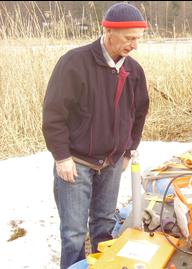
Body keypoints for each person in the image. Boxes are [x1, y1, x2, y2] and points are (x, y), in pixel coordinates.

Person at [42, 3, 149, 268]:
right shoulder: (75, 62)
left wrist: (127, 151)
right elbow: (54, 114)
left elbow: (139, 115)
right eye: (129, 38)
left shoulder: (133, 71)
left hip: (111, 163)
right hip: (76, 164)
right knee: (74, 233)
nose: (134, 45)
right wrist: (61, 157)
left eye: (138, 38)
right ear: (109, 31)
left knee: (104, 226)